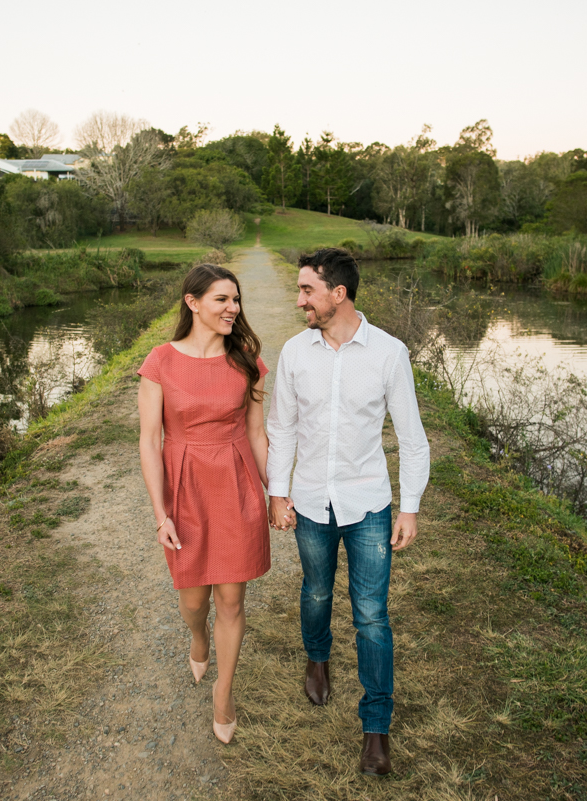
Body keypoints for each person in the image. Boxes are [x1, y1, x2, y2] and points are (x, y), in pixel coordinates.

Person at [266, 248, 430, 776]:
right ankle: (317, 656)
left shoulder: (389, 353)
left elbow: (412, 438)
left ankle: (376, 728)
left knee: (372, 616)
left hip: (368, 506)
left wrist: (410, 509)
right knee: (315, 591)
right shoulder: (295, 352)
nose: (299, 301)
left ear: (339, 293)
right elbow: (282, 428)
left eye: (307, 290)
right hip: (311, 502)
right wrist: (278, 491)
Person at [137, 263, 271, 745]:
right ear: (193, 303)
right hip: (186, 488)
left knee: (232, 598)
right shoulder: (160, 361)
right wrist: (161, 514)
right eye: (223, 300)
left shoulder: (246, 359)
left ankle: (224, 692)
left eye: (236, 300)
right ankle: (197, 636)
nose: (234, 309)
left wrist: (275, 492)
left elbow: (256, 431)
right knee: (194, 600)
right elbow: (150, 441)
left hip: (235, 485)